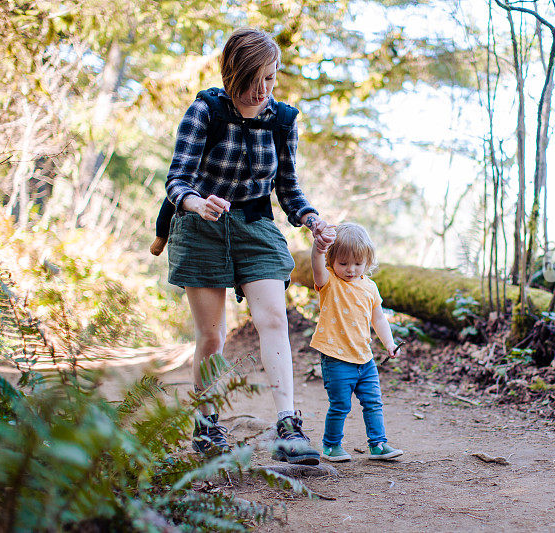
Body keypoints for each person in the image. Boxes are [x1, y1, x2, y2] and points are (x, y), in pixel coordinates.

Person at [164, 27, 332, 464]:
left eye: (270, 79)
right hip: (200, 226)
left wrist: (311, 219)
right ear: (232, 74)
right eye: (253, 79)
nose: (262, 90)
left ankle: (288, 427)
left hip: (255, 225)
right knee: (212, 336)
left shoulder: (282, 121)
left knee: (274, 319)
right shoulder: (205, 111)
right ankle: (207, 425)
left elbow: (289, 189)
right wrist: (198, 203)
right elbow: (176, 179)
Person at [310, 222, 404, 462]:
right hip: (336, 357)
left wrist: (389, 344)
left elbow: (379, 319)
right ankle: (331, 446)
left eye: (357, 263)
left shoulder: (370, 287)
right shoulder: (330, 282)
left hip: (365, 358)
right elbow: (317, 267)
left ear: (367, 262)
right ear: (332, 261)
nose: (350, 269)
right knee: (340, 404)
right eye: (343, 263)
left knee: (373, 403)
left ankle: (378, 444)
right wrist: (318, 249)